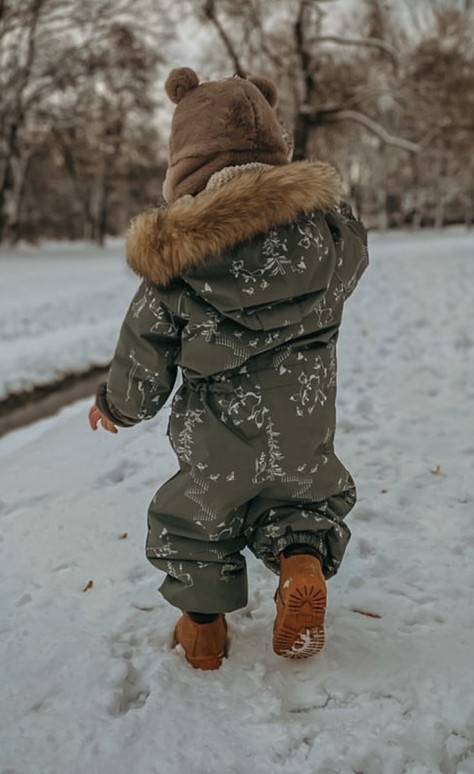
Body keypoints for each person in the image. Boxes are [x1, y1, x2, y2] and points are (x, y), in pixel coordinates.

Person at [89, 67, 368, 670]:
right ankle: (300, 565)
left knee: (194, 522)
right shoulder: (332, 241)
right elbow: (355, 255)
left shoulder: (178, 265)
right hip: (304, 423)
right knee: (300, 508)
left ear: (183, 167)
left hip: (219, 433)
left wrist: (116, 405)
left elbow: (145, 353)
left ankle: (204, 633)